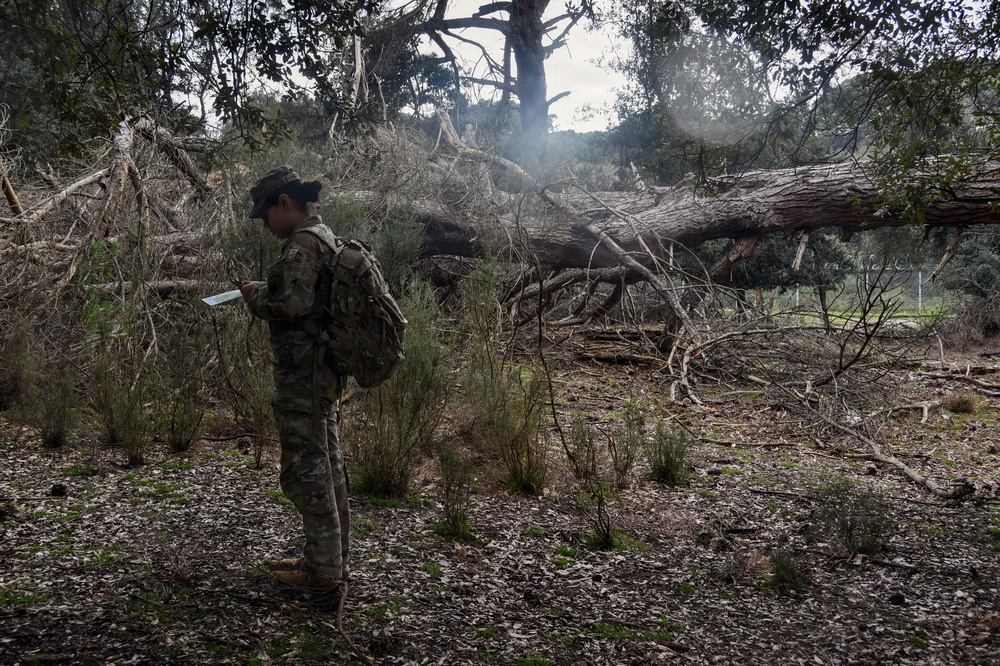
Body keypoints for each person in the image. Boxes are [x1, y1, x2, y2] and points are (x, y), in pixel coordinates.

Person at [240, 165, 350, 590]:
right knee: (329, 467)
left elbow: (290, 305)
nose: (266, 224)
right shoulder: (324, 237)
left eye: (266, 214)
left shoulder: (303, 244)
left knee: (310, 471)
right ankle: (331, 561)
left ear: (284, 203)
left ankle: (321, 572)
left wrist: (255, 296)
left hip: (304, 378)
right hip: (320, 374)